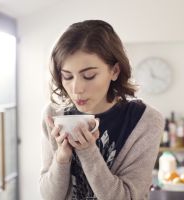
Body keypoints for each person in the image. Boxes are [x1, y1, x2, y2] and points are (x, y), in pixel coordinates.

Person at [39, 20, 164, 200]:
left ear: (114, 71)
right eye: (67, 76)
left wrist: (88, 151)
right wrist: (61, 158)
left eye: (89, 76)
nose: (76, 89)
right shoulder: (54, 114)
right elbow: (48, 196)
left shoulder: (146, 120)